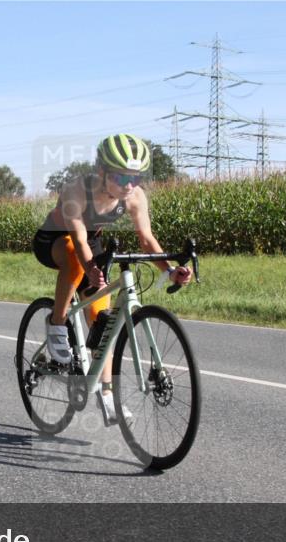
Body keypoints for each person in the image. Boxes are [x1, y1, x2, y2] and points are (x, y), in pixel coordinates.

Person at [32, 133, 192, 425]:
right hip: (55, 240)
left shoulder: (134, 196)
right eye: (120, 177)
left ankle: (106, 393)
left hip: (90, 245)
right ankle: (57, 324)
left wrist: (170, 271)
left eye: (136, 177)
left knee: (102, 320)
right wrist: (91, 267)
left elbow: (146, 239)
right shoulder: (77, 190)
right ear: (102, 171)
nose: (128, 185)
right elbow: (78, 240)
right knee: (73, 258)